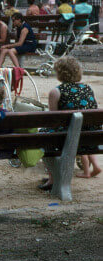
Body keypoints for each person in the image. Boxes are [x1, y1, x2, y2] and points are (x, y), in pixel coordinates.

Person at [40, 57, 100, 186]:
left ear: (60, 73)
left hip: (66, 138)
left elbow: (54, 121)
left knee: (43, 136)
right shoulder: (88, 88)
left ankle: (52, 178)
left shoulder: (56, 92)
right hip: (89, 139)